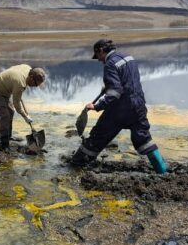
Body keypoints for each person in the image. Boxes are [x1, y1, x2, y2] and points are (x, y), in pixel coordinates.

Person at [71, 39, 167, 174]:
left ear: (101, 50)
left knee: (98, 135)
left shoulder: (110, 64)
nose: (99, 60)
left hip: (120, 109)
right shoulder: (129, 57)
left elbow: (115, 92)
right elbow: (128, 80)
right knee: (144, 138)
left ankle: (77, 164)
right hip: (138, 105)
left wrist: (96, 106)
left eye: (98, 56)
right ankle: (162, 171)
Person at [0, 65, 46, 151]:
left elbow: (13, 70)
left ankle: (8, 136)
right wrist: (25, 116)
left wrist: (16, 89)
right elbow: (16, 104)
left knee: (11, 111)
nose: (35, 87)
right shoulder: (20, 83)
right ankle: (4, 145)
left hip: (4, 91)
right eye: (36, 84)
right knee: (5, 116)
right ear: (31, 77)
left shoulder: (27, 68)